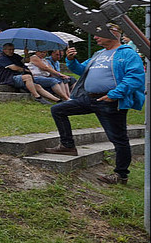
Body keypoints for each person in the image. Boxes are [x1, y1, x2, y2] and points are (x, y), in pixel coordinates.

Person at [47, 23, 146, 185]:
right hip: (90, 98)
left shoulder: (128, 54)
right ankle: (67, 146)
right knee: (58, 109)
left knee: (119, 139)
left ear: (114, 33)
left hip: (111, 101)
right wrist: (71, 61)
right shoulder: (99, 54)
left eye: (98, 33)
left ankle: (121, 175)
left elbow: (134, 78)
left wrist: (114, 95)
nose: (94, 37)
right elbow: (81, 70)